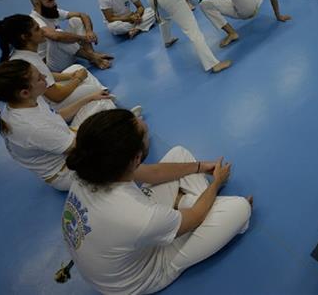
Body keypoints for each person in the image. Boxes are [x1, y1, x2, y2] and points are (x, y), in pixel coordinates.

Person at [62, 109, 252, 294]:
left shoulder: (91, 167)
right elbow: (195, 217)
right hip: (140, 278)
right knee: (240, 208)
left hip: (118, 257)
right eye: (145, 132)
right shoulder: (137, 215)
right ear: (136, 158)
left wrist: (201, 166)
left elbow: (154, 173)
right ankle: (193, 205)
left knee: (179, 154)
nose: (145, 124)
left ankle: (185, 202)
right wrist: (217, 183)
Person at [0, 60, 118, 190]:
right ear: (24, 93)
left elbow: (57, 116)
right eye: (39, 78)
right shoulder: (33, 128)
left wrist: (90, 98)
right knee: (116, 145)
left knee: (101, 102)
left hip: (67, 137)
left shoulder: (26, 100)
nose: (45, 76)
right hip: (67, 170)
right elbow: (76, 148)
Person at [0, 14, 110, 111]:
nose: (43, 31)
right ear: (25, 37)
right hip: (50, 106)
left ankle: (97, 93)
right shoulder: (29, 62)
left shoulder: (23, 54)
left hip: (44, 94)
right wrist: (78, 79)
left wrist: (71, 76)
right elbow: (57, 96)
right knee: (92, 89)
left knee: (77, 68)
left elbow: (47, 75)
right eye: (37, 29)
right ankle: (100, 94)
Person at [29, 0, 113, 71]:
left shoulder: (50, 11)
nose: (55, 3)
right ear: (37, 4)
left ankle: (91, 53)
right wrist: (83, 38)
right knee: (58, 35)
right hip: (53, 64)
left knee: (76, 20)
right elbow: (56, 36)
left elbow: (83, 15)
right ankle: (92, 57)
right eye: (50, 1)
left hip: (66, 53)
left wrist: (89, 32)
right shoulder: (34, 20)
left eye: (54, 0)